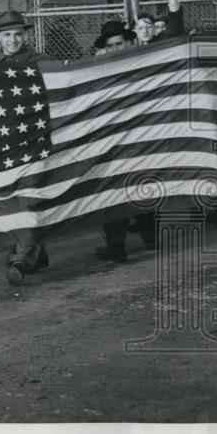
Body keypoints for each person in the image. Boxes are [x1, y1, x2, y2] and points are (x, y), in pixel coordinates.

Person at [0, 10, 53, 285]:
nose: (13, 39)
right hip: (3, 144)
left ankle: (20, 258)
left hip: (35, 141)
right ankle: (37, 251)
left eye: (18, 34)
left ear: (26, 35)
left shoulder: (42, 62)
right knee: (12, 200)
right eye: (7, 34)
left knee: (30, 197)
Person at [90, 19, 159, 263]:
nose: (116, 49)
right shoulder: (98, 71)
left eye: (120, 44)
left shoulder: (142, 64)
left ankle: (151, 237)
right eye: (111, 46)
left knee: (142, 185)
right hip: (112, 140)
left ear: (129, 43)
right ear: (105, 48)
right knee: (114, 191)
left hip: (139, 136)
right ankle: (117, 245)